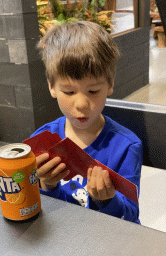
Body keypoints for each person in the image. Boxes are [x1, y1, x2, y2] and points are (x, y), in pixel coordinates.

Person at [31, 21, 143, 224]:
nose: (82, 104)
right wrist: (47, 185)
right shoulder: (42, 141)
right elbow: (41, 215)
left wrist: (108, 200)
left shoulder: (127, 146)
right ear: (51, 86)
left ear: (110, 84)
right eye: (69, 91)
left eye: (93, 91)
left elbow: (131, 216)